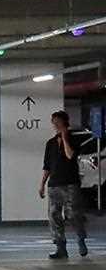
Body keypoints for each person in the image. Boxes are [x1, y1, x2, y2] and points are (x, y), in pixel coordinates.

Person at [38, 110, 87, 259]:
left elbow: (70, 155)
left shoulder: (73, 139)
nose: (55, 124)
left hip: (70, 183)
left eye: (57, 121)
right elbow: (47, 166)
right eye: (53, 122)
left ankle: (81, 239)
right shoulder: (50, 143)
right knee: (54, 216)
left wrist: (65, 138)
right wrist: (42, 184)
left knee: (73, 215)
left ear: (64, 122)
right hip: (54, 184)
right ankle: (60, 247)